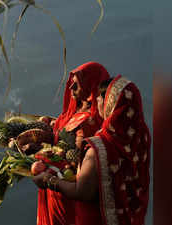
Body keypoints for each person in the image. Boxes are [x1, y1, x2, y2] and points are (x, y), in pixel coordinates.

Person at [33, 75, 151, 225]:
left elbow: (83, 192)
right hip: (130, 216)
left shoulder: (100, 146)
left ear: (111, 104)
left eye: (102, 98)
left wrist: (48, 180)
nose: (97, 101)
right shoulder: (141, 136)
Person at [35, 62, 110, 225]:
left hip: (66, 193)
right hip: (53, 184)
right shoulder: (75, 109)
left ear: (91, 86)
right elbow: (62, 134)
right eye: (72, 82)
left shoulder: (89, 123)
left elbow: (76, 162)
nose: (71, 88)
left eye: (77, 84)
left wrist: (45, 165)